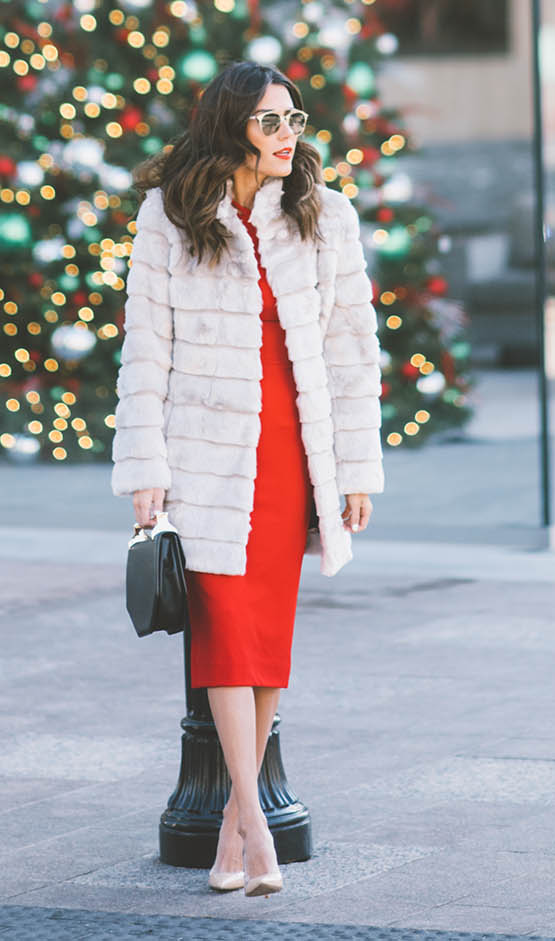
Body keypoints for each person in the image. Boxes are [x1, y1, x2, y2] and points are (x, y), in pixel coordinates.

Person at [112, 58, 384, 896]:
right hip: (203, 452)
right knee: (226, 634)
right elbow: (145, 345)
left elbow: (350, 347)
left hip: (290, 453)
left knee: (264, 640)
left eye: (294, 119)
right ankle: (257, 823)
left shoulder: (324, 215)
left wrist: (354, 467)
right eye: (270, 121)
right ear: (230, 125)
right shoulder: (170, 216)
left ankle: (234, 823)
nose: (286, 136)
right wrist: (145, 470)